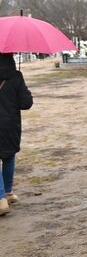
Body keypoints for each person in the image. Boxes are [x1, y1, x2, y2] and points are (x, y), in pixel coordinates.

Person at [0, 53, 33, 216]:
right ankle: (8, 192)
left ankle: (1, 199)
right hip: (11, 125)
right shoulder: (16, 76)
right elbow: (26, 103)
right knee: (9, 156)